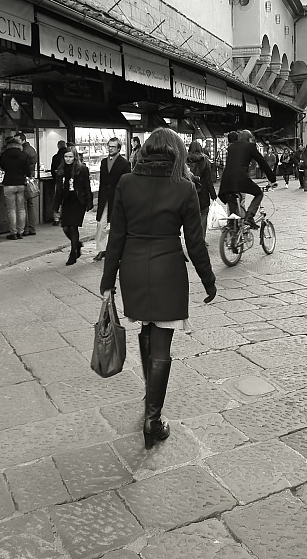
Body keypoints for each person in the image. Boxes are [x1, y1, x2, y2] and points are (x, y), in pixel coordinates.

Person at [100, 128, 216, 449]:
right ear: (177, 152)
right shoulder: (184, 187)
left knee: (146, 330)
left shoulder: (126, 183)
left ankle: (150, 396)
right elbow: (195, 243)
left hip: (133, 270)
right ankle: (153, 419)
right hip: (168, 271)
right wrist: (208, 280)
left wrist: (107, 281)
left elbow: (116, 237)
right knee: (162, 342)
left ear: (146, 150)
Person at [217, 129, 275, 227]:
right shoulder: (250, 147)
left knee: (233, 213)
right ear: (249, 139)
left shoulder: (231, 147)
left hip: (226, 181)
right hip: (241, 178)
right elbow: (262, 162)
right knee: (259, 193)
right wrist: (272, 179)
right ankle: (249, 216)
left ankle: (231, 232)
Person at [93, 136, 131, 262]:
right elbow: (103, 181)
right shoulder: (103, 162)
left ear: (119, 148)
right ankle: (101, 249)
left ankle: (117, 250)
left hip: (117, 197)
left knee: (116, 225)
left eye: (113, 146)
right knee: (100, 223)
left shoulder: (125, 163)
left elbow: (126, 183)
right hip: (105, 197)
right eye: (109, 146)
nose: (110, 148)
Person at [54, 146, 93, 265]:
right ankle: (77, 244)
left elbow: (87, 186)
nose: (68, 159)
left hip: (78, 200)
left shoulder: (82, 169)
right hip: (67, 200)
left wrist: (88, 202)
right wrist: (56, 205)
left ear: (75, 157)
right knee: (65, 227)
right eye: (66, 156)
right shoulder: (61, 170)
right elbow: (58, 189)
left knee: (73, 226)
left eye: (70, 156)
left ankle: (73, 253)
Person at [0, 135, 33, 240]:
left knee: (11, 210)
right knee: (21, 209)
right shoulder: (23, 155)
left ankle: (13, 233)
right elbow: (28, 171)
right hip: (20, 184)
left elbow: (2, 166)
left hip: (9, 184)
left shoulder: (4, 154)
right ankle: (20, 232)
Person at [186, 139, 217, 241]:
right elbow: (209, 181)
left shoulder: (185, 160)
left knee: (191, 217)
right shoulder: (205, 161)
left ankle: (192, 238)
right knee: (204, 215)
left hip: (189, 193)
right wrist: (213, 195)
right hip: (202, 193)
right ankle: (202, 239)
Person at [15, 132, 39, 236]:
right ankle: (32, 228)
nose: (16, 142)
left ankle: (25, 229)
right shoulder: (32, 149)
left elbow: (23, 165)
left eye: (17, 140)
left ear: (22, 140)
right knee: (30, 204)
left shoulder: (23, 151)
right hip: (31, 178)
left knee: (22, 206)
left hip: (24, 179)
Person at [49, 139, 69, 224]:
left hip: (58, 181)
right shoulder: (69, 156)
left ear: (58, 146)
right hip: (68, 181)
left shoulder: (55, 157)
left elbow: (52, 170)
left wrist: (56, 178)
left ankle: (56, 218)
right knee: (67, 199)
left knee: (57, 199)